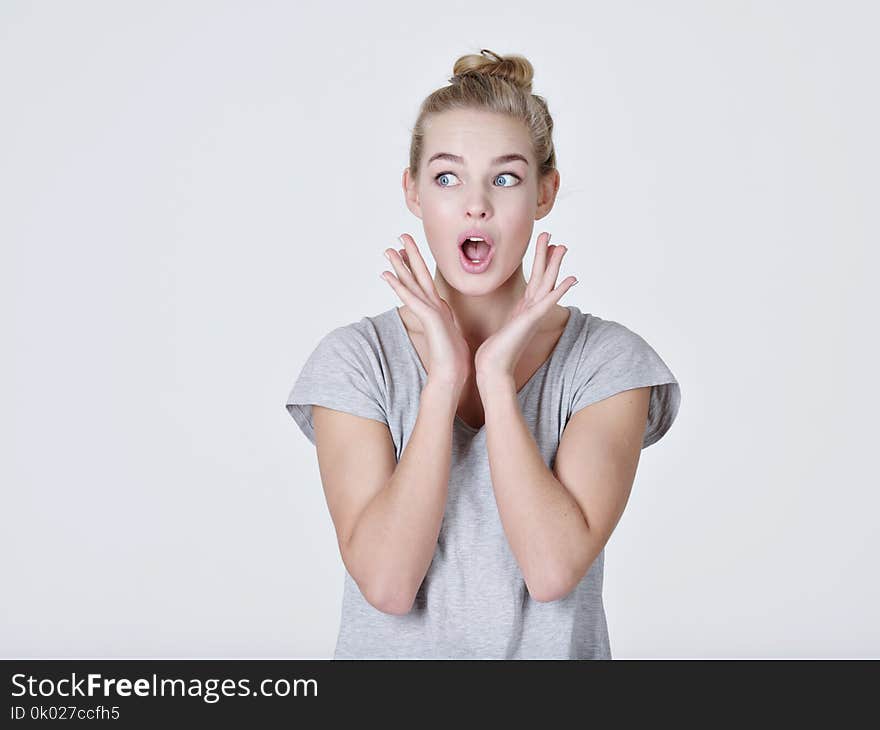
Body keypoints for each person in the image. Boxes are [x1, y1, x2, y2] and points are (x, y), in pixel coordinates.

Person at [285, 49, 681, 659]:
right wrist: (443, 382)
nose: (476, 204)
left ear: (545, 192)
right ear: (412, 192)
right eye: (447, 177)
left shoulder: (607, 364)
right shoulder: (357, 362)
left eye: (505, 177)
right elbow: (388, 585)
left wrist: (494, 378)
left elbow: (551, 571)